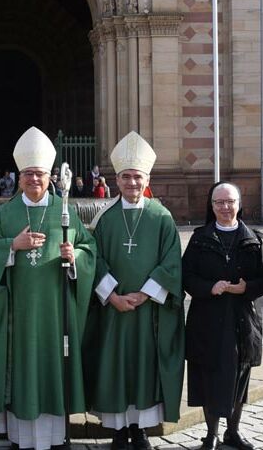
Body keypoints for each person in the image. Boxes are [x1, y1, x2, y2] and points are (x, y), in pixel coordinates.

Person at [0, 127, 96, 450]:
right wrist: (11, 246)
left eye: (39, 174)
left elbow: (89, 250)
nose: (33, 179)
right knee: (22, 370)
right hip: (18, 313)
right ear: (19, 177)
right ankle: (21, 436)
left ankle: (56, 436)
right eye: (28, 174)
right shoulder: (7, 213)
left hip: (55, 312)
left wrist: (75, 258)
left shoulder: (64, 210)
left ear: (50, 176)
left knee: (53, 368)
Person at [85, 132, 184, 450]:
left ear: (147, 178)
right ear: (117, 179)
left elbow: (171, 262)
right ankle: (117, 429)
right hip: (114, 310)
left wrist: (143, 295)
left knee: (144, 365)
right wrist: (112, 296)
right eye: (126, 177)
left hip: (148, 311)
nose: (131, 182)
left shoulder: (161, 217)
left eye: (136, 177)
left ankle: (140, 429)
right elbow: (94, 260)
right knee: (115, 364)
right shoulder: (104, 219)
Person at [182, 182, 263, 450]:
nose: (225, 207)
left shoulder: (254, 240)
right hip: (207, 320)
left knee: (239, 378)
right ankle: (211, 434)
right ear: (211, 207)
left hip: (242, 320)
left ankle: (232, 433)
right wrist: (209, 288)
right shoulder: (200, 238)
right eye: (219, 203)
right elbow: (186, 276)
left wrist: (248, 288)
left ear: (239, 204)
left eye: (230, 202)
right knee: (209, 377)